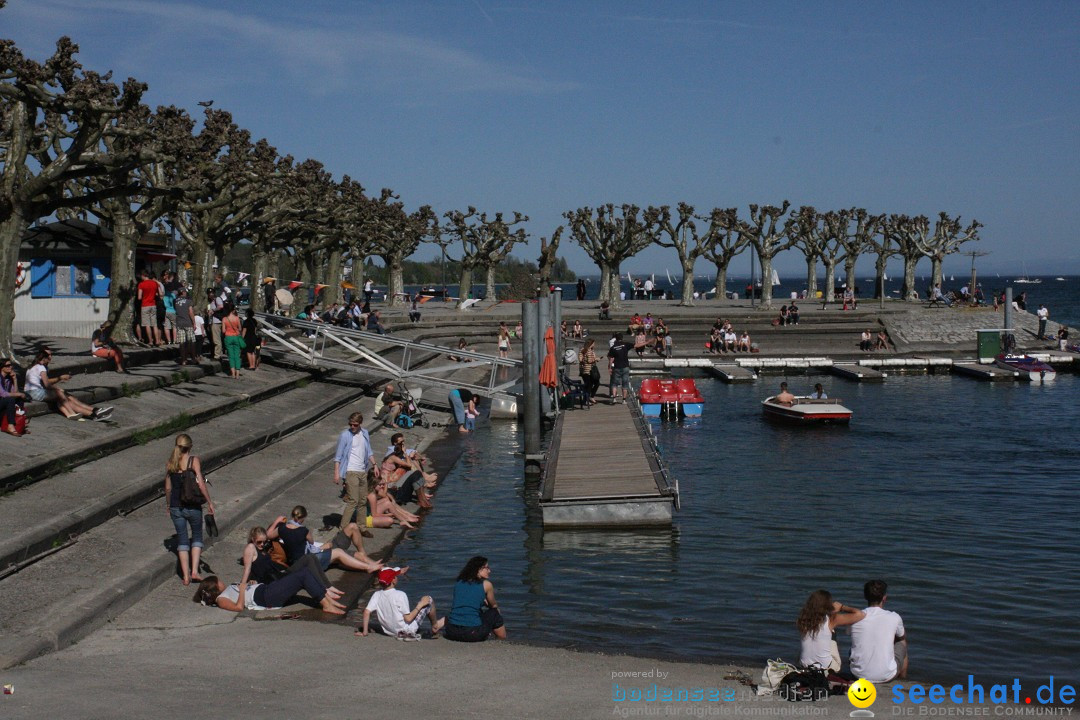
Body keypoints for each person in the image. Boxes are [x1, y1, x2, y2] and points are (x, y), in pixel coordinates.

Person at [238, 525, 344, 600]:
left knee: (309, 557)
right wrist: (243, 585)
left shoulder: (262, 549)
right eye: (259, 542)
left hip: (279, 574)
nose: (262, 544)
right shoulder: (250, 547)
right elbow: (248, 568)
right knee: (306, 567)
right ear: (252, 539)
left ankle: (327, 586)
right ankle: (324, 590)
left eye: (264, 541)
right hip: (273, 581)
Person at [164, 433, 215, 586]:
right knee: (197, 537)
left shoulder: (170, 463)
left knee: (182, 540)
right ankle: (194, 571)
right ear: (190, 446)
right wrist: (209, 502)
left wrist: (168, 505)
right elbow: (200, 483)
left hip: (175, 507)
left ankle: (185, 576)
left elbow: (167, 488)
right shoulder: (194, 461)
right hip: (192, 505)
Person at [269, 505, 383, 573]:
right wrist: (324, 547)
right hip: (313, 558)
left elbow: (268, 535)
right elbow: (311, 547)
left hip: (316, 553)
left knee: (352, 527)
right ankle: (370, 567)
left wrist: (277, 522)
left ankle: (378, 567)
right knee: (339, 552)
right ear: (303, 518)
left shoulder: (282, 529)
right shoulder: (304, 531)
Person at [193, 572, 345, 615]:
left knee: (303, 574)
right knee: (302, 576)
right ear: (215, 586)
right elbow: (239, 607)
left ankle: (328, 601)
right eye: (218, 581)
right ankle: (326, 605)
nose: (222, 581)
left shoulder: (225, 592)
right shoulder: (221, 599)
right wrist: (242, 589)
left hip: (264, 590)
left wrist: (249, 585)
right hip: (266, 597)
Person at [24, 349, 111, 421]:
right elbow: (46, 384)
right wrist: (58, 387)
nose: (50, 358)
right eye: (48, 357)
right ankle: (88, 413)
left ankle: (94, 412)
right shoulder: (41, 367)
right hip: (36, 392)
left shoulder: (31, 367)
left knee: (65, 398)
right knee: (63, 395)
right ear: (44, 358)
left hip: (31, 392)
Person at [359, 567, 445, 639]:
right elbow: (408, 619)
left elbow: (366, 612)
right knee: (428, 600)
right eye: (396, 576)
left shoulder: (377, 594)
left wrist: (365, 632)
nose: (397, 577)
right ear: (393, 580)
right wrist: (420, 605)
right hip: (406, 631)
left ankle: (434, 626)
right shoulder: (400, 595)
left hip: (390, 632)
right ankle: (435, 626)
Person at [849, 579, 908, 683]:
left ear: (865, 597)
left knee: (854, 647)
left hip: (857, 675)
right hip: (886, 676)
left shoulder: (855, 617)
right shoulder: (894, 617)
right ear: (884, 598)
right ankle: (902, 679)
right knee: (902, 643)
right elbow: (902, 637)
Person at [334, 411, 381, 531]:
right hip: (350, 470)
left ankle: (362, 527)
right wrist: (337, 473)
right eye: (350, 424)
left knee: (362, 500)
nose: (352, 427)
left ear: (360, 424)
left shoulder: (365, 433)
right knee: (353, 500)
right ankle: (343, 528)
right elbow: (338, 456)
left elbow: (369, 451)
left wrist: (375, 465)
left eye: (355, 425)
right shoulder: (345, 435)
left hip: (362, 470)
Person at [797, 590, 865, 672]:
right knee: (832, 632)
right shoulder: (831, 619)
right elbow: (860, 614)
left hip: (804, 666)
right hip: (826, 668)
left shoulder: (803, 619)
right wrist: (842, 607)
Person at [444, 556, 506, 642]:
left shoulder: (459, 582)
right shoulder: (486, 584)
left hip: (451, 631)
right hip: (471, 633)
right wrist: (487, 604)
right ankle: (501, 639)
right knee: (495, 613)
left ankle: (487, 634)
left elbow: (465, 603)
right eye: (487, 568)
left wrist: (480, 602)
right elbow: (494, 606)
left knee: (471, 613)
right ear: (479, 569)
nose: (489, 571)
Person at [0, 359, 27, 436]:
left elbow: (15, 392)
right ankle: (10, 425)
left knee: (19, 399)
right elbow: (3, 393)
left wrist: (15, 379)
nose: (10, 367)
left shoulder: (8, 379)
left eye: (11, 365)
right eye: (8, 366)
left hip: (3, 403)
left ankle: (19, 423)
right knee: (10, 399)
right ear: (2, 367)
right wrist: (19, 394)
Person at [135, 269, 162, 346]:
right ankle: (157, 341)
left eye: (141, 276)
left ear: (143, 275)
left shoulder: (141, 284)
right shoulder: (155, 283)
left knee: (147, 324)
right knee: (154, 324)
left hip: (145, 305)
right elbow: (160, 294)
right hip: (153, 305)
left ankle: (150, 341)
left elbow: (139, 297)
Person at [174, 287, 198, 365]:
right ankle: (193, 358)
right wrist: (194, 322)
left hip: (179, 323)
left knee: (182, 342)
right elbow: (190, 312)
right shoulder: (188, 301)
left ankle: (183, 360)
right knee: (191, 341)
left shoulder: (175, 301)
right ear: (184, 292)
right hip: (188, 323)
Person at [607, 332, 631, 404]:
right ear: (622, 338)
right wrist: (647, 342)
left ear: (615, 339)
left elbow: (611, 358)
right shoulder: (625, 345)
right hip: (625, 366)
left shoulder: (613, 347)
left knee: (614, 384)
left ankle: (614, 398)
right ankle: (624, 400)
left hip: (617, 367)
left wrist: (609, 367)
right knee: (625, 384)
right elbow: (635, 345)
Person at [221, 304, 243, 379]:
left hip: (228, 337)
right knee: (237, 356)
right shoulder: (237, 318)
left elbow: (223, 331)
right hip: (236, 337)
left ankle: (233, 374)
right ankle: (237, 374)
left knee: (231, 356)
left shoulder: (224, 319)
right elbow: (240, 329)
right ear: (233, 310)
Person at [579, 337, 600, 405]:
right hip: (589, 371)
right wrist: (596, 359)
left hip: (584, 370)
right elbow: (589, 360)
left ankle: (588, 398)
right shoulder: (589, 351)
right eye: (593, 343)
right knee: (592, 385)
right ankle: (587, 399)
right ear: (591, 344)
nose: (594, 344)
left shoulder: (583, 350)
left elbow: (581, 359)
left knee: (589, 385)